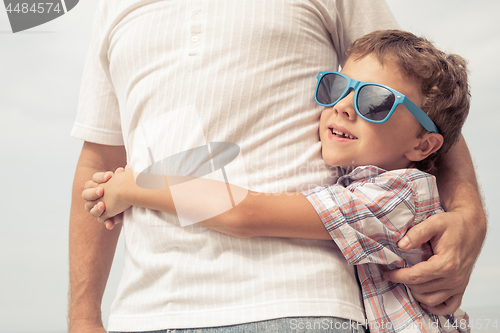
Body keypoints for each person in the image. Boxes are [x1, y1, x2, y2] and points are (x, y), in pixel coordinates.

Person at [69, 1, 485, 332]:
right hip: (145, 310)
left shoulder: (390, 199)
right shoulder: (364, 183)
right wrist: (82, 319)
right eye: (336, 85)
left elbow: (243, 213)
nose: (342, 106)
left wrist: (131, 189)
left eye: (372, 101)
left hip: (294, 305)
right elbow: (99, 152)